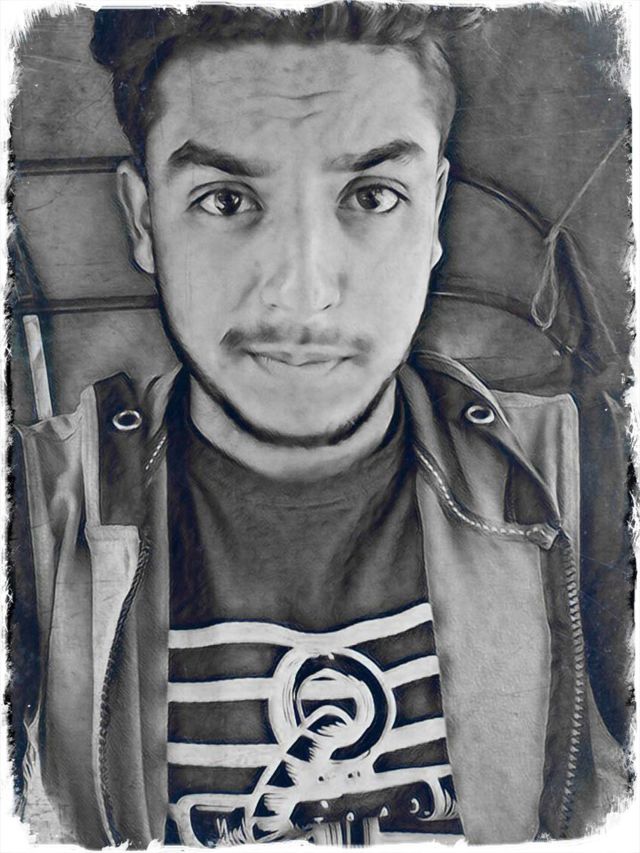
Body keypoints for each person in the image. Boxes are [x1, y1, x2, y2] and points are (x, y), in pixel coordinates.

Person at [9, 3, 629, 848]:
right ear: (144, 220)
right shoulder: (33, 517)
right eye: (226, 199)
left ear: (434, 214)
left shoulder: (586, 477)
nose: (303, 293)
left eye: (372, 196)